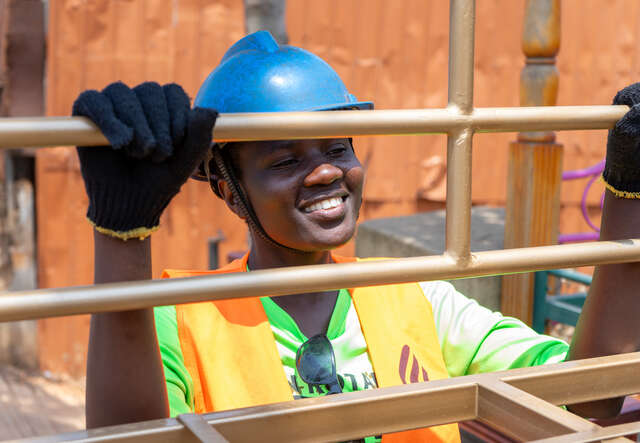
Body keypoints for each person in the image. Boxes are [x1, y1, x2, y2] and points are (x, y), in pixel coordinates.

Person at [72, 30, 640, 442]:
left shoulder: (417, 298)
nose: (325, 172)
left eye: (339, 148)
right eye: (286, 158)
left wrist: (628, 198)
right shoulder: (182, 317)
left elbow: (585, 398)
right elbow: (127, 437)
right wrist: (124, 234)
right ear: (226, 188)